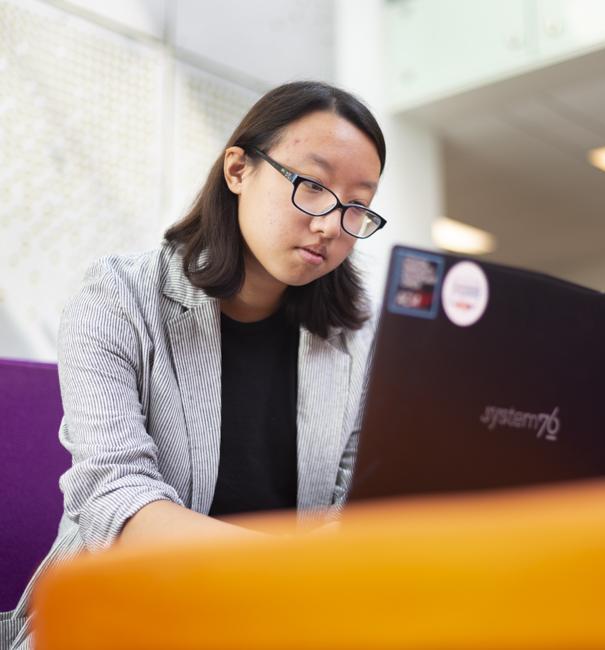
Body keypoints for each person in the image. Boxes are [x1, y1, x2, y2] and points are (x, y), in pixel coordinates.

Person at [1, 80, 387, 650]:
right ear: (238, 170)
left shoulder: (353, 339)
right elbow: (115, 499)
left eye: (358, 205)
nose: (332, 225)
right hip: (128, 615)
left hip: (281, 623)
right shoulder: (118, 297)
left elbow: (353, 512)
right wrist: (291, 566)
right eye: (312, 186)